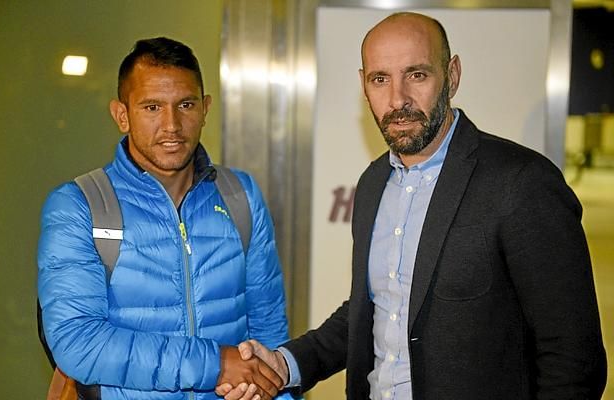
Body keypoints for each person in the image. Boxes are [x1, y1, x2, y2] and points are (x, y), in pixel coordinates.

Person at [217, 12, 607, 400]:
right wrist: (286, 364)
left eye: (417, 75)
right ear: (363, 84)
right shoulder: (373, 183)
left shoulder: (522, 182)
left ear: (452, 75)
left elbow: (573, 358)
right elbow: (376, 309)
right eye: (380, 79)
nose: (397, 99)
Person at [38, 37, 293, 400]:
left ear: (205, 109)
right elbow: (79, 342)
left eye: (185, 105)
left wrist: (277, 392)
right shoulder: (80, 205)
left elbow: (269, 334)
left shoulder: (240, 195)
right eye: (152, 107)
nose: (172, 124)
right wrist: (216, 364)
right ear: (122, 115)